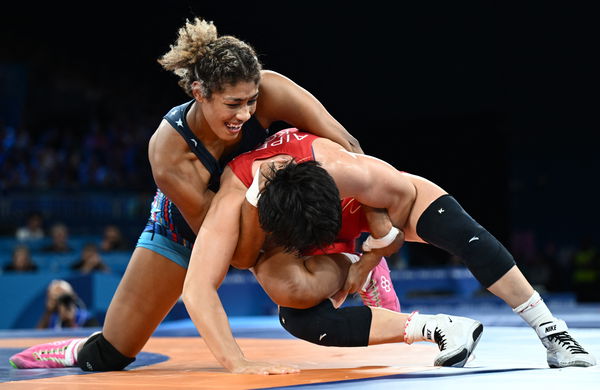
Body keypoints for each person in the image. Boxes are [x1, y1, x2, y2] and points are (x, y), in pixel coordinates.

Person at [9, 16, 362, 374]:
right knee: (110, 356)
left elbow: (350, 150)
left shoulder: (270, 90)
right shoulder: (170, 151)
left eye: (251, 102)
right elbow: (237, 253)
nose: (244, 113)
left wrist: (367, 227)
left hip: (268, 209)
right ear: (199, 92)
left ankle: (357, 261)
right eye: (233, 104)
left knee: (310, 265)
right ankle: (72, 349)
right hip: (186, 230)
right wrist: (260, 197)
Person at [181, 128, 595, 372]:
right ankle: (437, 327)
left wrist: (372, 253)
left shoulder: (347, 171)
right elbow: (197, 289)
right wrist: (237, 362)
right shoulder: (232, 205)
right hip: (298, 231)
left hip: (360, 208)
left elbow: (399, 199)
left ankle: (552, 332)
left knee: (463, 231)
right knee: (292, 305)